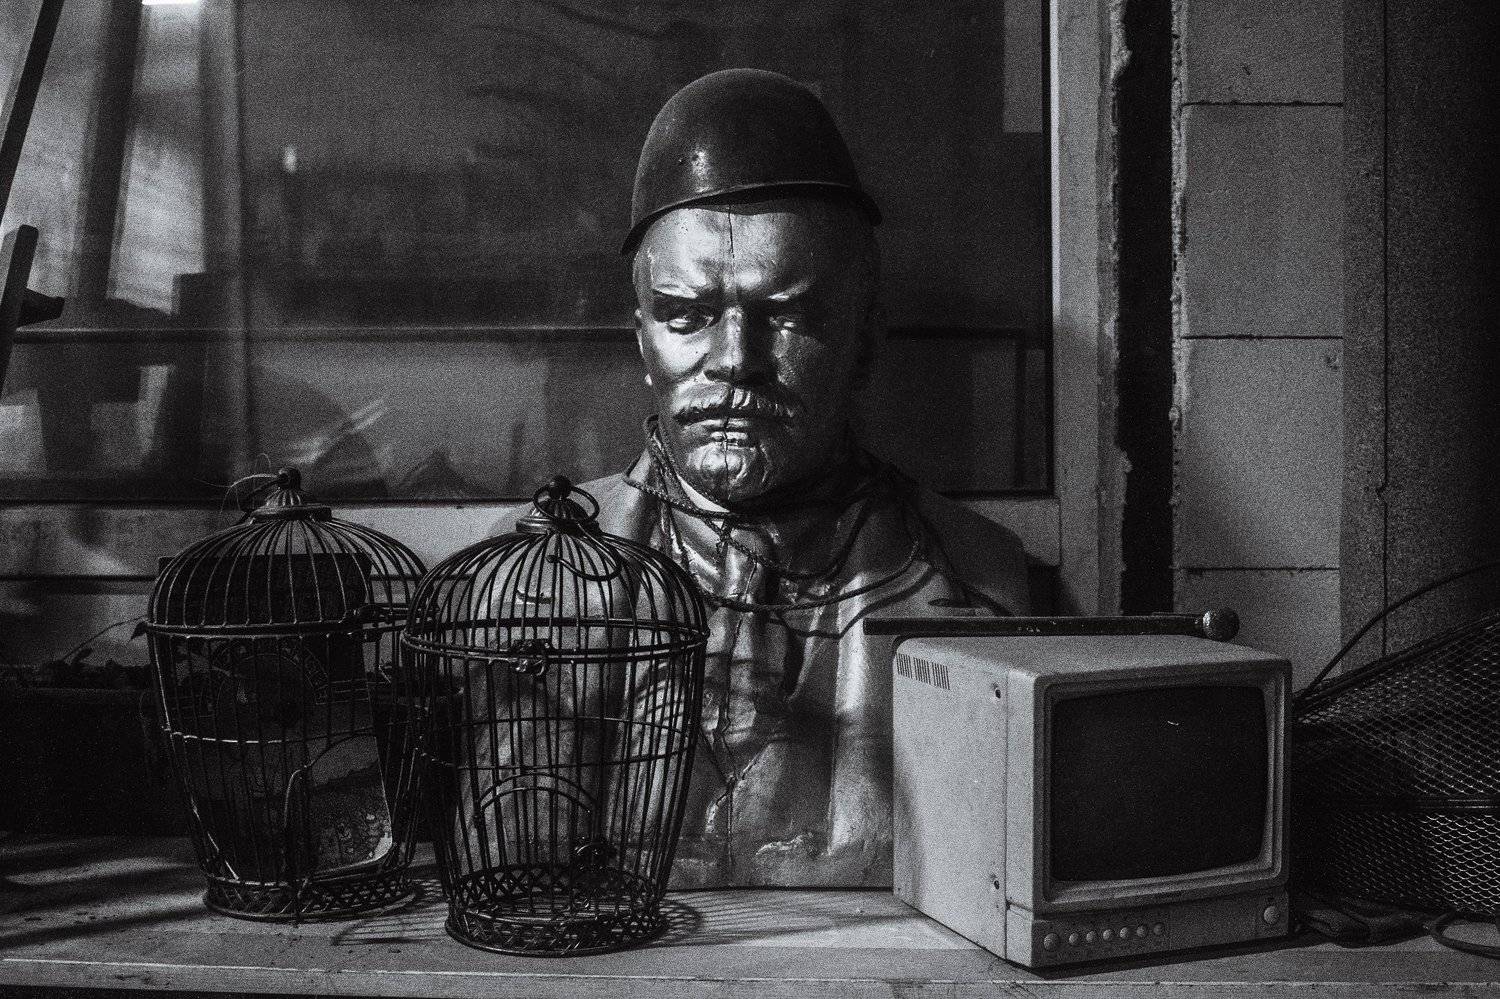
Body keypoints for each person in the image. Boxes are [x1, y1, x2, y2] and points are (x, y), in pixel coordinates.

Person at [500, 68, 1030, 887]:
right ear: (640, 337)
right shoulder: (524, 581)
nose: (734, 360)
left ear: (864, 338)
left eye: (786, 314)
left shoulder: (979, 577)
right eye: (686, 315)